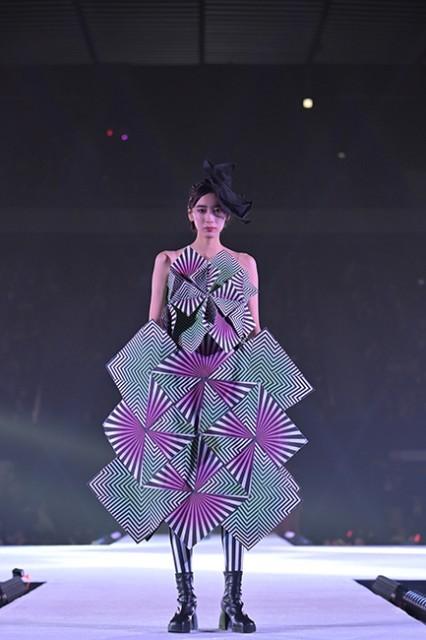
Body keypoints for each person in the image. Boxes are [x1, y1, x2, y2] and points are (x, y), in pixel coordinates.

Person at [148, 160, 259, 633]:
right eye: (202, 209)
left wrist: (257, 390)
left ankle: (233, 601)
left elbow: (253, 332)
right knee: (182, 495)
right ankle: (186, 601)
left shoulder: (244, 264)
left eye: (217, 210)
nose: (209, 217)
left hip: (230, 387)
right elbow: (154, 327)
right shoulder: (168, 261)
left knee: (232, 493)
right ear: (189, 213)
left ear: (226, 217)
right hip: (180, 387)